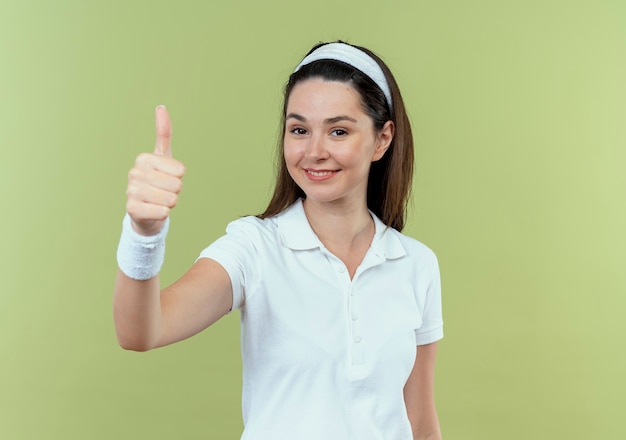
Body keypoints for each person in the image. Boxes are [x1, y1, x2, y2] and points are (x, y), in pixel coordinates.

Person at [114, 41, 444, 440]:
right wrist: (143, 236)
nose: (314, 151)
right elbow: (141, 332)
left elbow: (420, 421)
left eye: (338, 131)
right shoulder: (255, 247)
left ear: (382, 139)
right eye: (299, 130)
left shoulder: (416, 264)